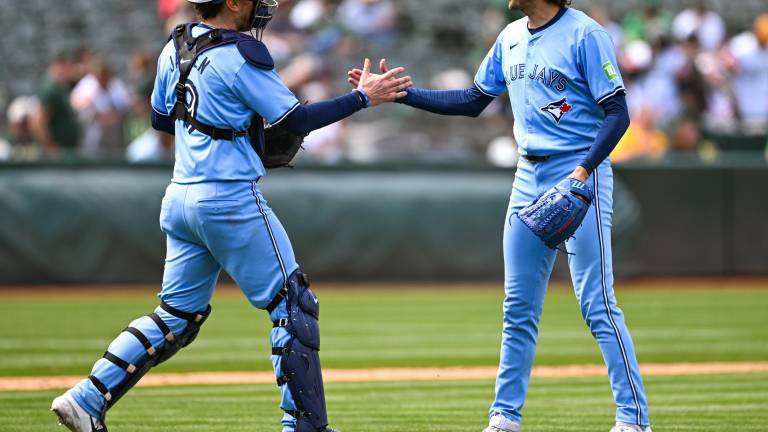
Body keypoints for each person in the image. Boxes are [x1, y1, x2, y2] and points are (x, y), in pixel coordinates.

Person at [50, 1, 411, 431]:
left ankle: (87, 398)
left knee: (176, 316)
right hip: (230, 198)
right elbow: (297, 120)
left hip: (181, 196)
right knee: (292, 305)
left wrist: (226, 119)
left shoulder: (174, 47)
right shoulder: (239, 54)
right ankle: (305, 426)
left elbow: (161, 119)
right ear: (233, 2)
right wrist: (363, 97)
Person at [349, 0, 651, 431]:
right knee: (518, 307)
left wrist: (584, 171)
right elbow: (473, 101)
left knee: (597, 303)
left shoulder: (586, 35)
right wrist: (400, 94)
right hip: (528, 175)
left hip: (579, 173)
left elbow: (618, 112)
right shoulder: (510, 36)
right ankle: (505, 418)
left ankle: (634, 420)